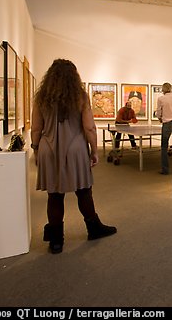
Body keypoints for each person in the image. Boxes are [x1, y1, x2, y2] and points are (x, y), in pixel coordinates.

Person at [31, 58, 117, 254]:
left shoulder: (42, 97)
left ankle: (56, 241)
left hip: (48, 149)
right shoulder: (81, 96)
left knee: (54, 195)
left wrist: (36, 150)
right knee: (84, 191)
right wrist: (94, 151)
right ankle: (94, 228)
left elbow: (36, 128)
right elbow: (89, 127)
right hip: (76, 148)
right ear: (74, 76)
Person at [154, 82, 172, 175]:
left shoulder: (161, 98)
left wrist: (160, 118)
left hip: (167, 123)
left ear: (164, 89)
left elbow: (159, 112)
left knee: (164, 147)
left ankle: (165, 169)